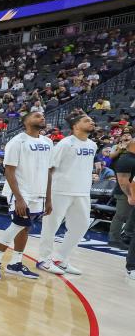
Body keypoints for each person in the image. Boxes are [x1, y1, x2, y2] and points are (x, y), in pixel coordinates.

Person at [0, 110, 54, 280]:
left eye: (42, 116)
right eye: (36, 115)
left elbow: (49, 172)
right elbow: (9, 171)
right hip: (21, 192)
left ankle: (15, 263)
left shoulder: (48, 142)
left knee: (25, 227)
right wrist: (19, 198)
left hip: (39, 193)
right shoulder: (17, 142)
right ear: (26, 121)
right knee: (17, 224)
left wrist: (49, 198)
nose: (42, 117)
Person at [36, 112, 97, 275]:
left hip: (83, 192)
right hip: (60, 190)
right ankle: (44, 259)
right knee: (51, 225)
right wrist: (47, 195)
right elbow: (50, 168)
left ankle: (60, 258)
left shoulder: (93, 145)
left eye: (91, 120)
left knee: (82, 225)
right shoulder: (65, 144)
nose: (92, 122)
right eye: (87, 120)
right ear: (75, 125)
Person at [108, 137, 135, 250]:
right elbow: (123, 180)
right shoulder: (126, 159)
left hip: (130, 192)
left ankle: (126, 237)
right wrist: (130, 195)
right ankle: (114, 240)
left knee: (129, 217)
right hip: (124, 193)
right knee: (121, 216)